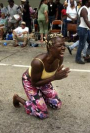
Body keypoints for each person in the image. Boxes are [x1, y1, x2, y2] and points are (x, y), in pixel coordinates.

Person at [13, 33, 70, 119]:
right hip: (31, 81)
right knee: (42, 113)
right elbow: (35, 83)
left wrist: (56, 75)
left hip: (44, 80)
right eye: (59, 46)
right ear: (50, 47)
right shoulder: (38, 62)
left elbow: (51, 75)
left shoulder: (60, 58)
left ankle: (40, 97)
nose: (63, 48)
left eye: (64, 45)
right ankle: (18, 99)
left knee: (57, 105)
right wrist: (54, 77)